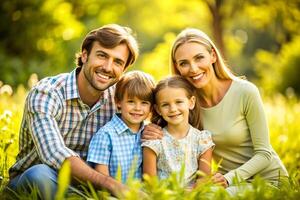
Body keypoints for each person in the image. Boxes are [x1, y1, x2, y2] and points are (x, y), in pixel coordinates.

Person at [7, 24, 139, 199]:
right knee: (38, 175)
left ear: (123, 70)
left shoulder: (118, 100)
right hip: (44, 178)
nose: (108, 67)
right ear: (85, 55)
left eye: (118, 62)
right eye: (102, 55)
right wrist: (110, 184)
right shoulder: (47, 93)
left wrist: (152, 131)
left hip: (90, 185)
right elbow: (54, 153)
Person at [168, 28, 289, 193]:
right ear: (177, 67)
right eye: (184, 63)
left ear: (213, 55)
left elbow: (264, 154)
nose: (193, 68)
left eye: (199, 58)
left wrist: (228, 178)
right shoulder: (187, 105)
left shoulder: (245, 92)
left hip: (269, 181)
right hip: (230, 184)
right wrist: (152, 130)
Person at [142, 76, 215, 187]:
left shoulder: (202, 139)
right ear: (158, 109)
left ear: (191, 102)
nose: (173, 109)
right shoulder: (154, 141)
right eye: (165, 105)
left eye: (179, 102)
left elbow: (204, 179)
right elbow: (150, 183)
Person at [87, 70, 155, 184]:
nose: (137, 108)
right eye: (131, 101)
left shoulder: (150, 132)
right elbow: (102, 180)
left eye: (144, 103)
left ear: (151, 107)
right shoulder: (105, 136)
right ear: (118, 102)